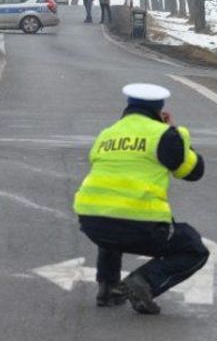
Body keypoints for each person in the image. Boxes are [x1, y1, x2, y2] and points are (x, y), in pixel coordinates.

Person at [72, 83, 209, 315]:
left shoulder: (107, 134)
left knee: (112, 222)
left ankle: (108, 288)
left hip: (92, 222)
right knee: (194, 249)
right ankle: (145, 281)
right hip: (142, 226)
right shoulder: (164, 135)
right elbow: (193, 172)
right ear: (159, 109)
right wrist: (175, 135)